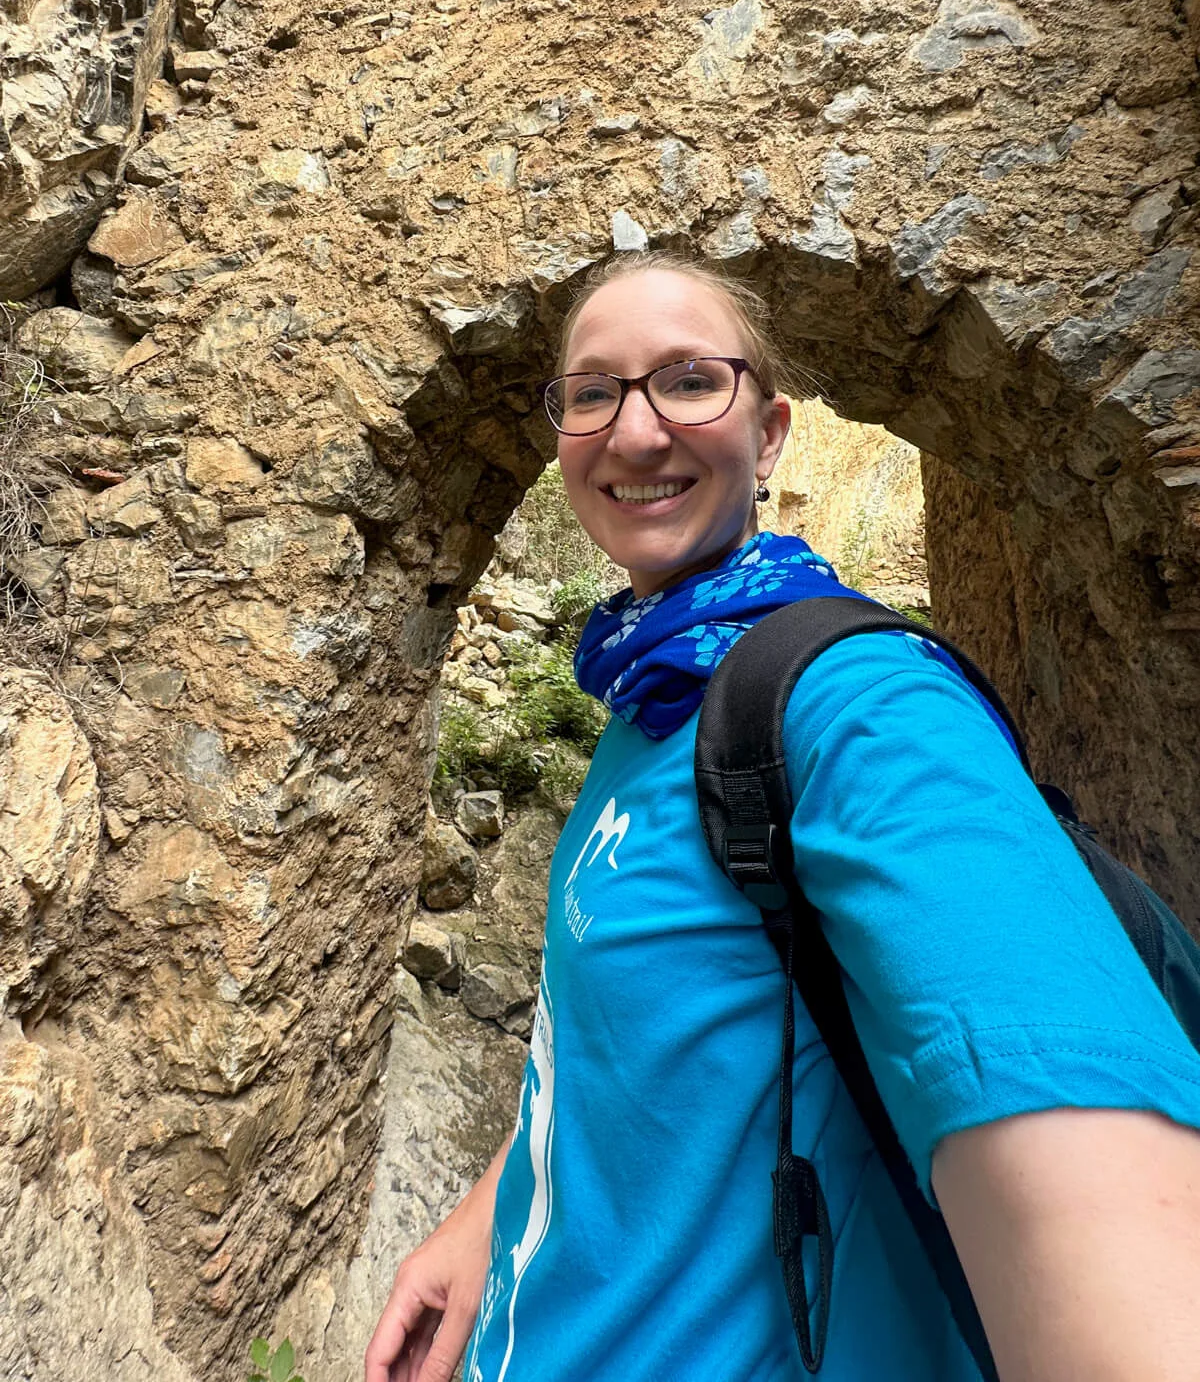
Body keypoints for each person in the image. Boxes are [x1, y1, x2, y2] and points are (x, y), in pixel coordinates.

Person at [367, 254, 1200, 1382]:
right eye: (593, 391)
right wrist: (490, 1217)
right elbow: (647, 1036)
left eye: (690, 380)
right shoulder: (656, 695)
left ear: (769, 437)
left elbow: (1129, 1278)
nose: (637, 430)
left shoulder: (863, 712)